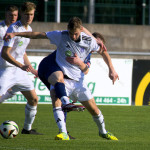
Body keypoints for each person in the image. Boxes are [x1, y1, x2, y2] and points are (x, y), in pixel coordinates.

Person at [3, 17, 119, 140]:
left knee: (94, 110)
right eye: (71, 33)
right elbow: (37, 35)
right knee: (56, 97)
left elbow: (103, 53)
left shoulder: (89, 41)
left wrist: (112, 69)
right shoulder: (61, 35)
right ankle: (63, 132)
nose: (73, 36)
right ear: (67, 29)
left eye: (76, 34)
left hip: (78, 81)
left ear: (81, 31)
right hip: (62, 77)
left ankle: (103, 131)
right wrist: (15, 33)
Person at [1, 2, 42, 135]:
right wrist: (21, 66)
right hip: (7, 69)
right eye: (27, 14)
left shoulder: (28, 30)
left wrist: (31, 68)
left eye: (32, 14)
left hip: (19, 71)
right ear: (22, 14)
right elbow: (4, 53)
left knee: (34, 99)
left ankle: (27, 129)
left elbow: (22, 52)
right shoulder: (13, 29)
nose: (30, 17)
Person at [0, 5, 18, 103]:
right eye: (11, 15)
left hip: (12, 64)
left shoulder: (17, 30)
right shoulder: (1, 28)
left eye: (15, 15)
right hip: (1, 65)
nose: (13, 18)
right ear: (6, 15)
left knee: (13, 90)